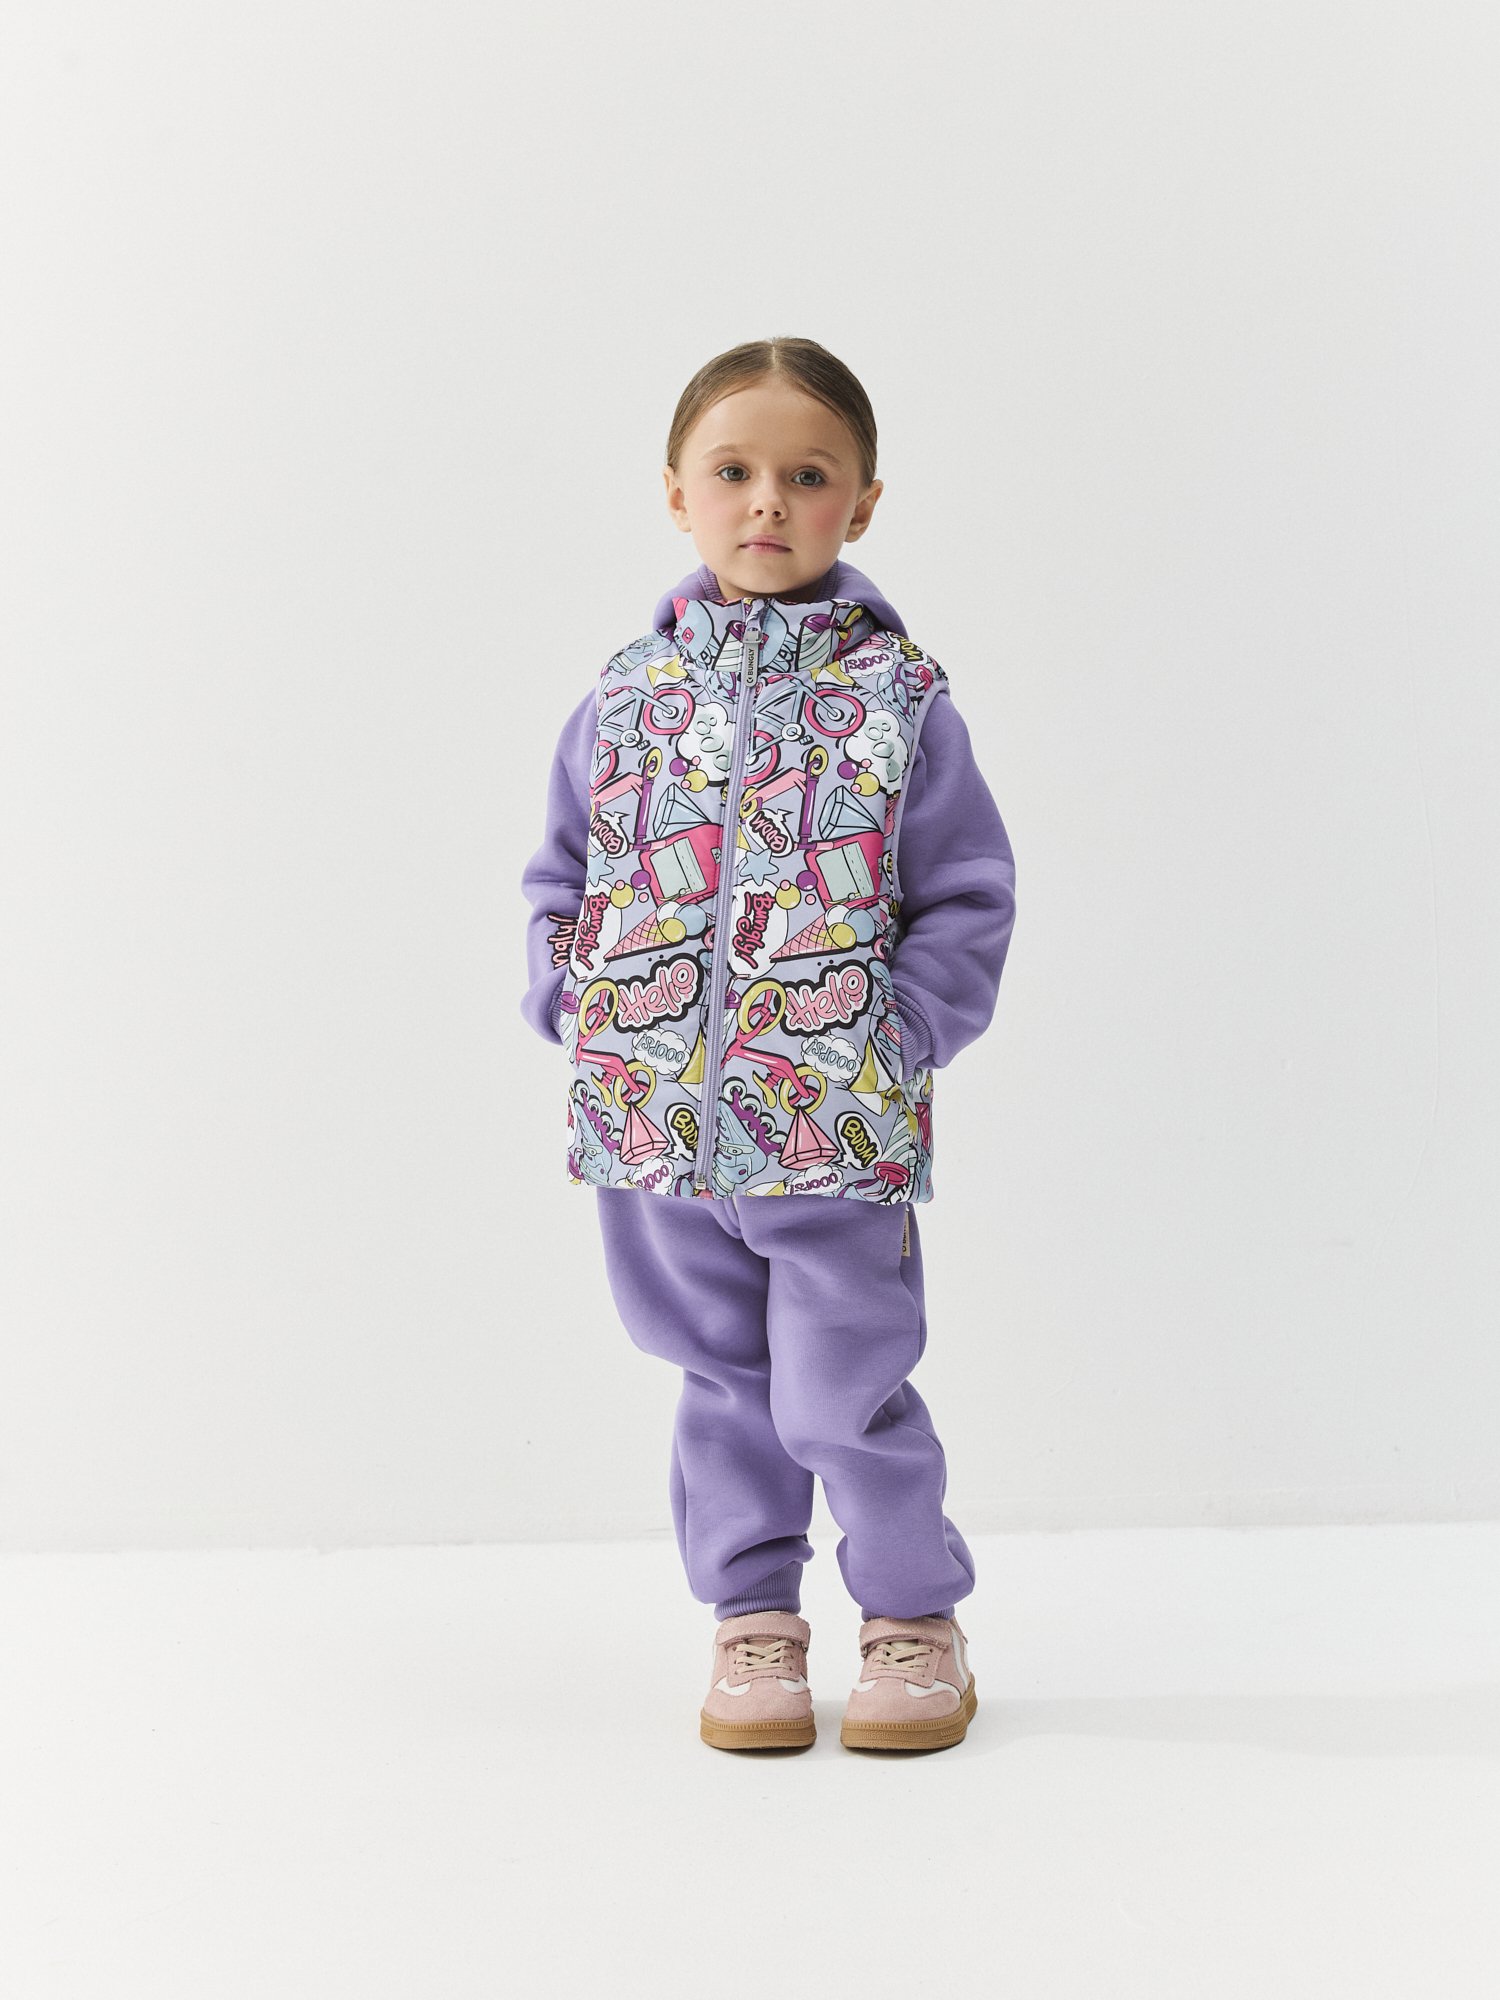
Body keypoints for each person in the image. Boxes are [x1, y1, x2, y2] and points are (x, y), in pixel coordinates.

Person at [519, 337, 1018, 1753]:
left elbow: (968, 894)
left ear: (862, 502)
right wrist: (577, 1000)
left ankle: (913, 1616)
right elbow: (562, 874)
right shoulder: (627, 697)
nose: (767, 502)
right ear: (676, 492)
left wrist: (897, 1033)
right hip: (654, 1125)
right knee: (723, 1387)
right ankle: (753, 1622)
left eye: (808, 476)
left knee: (843, 1393)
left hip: (833, 1125)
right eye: (733, 471)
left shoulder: (898, 702)